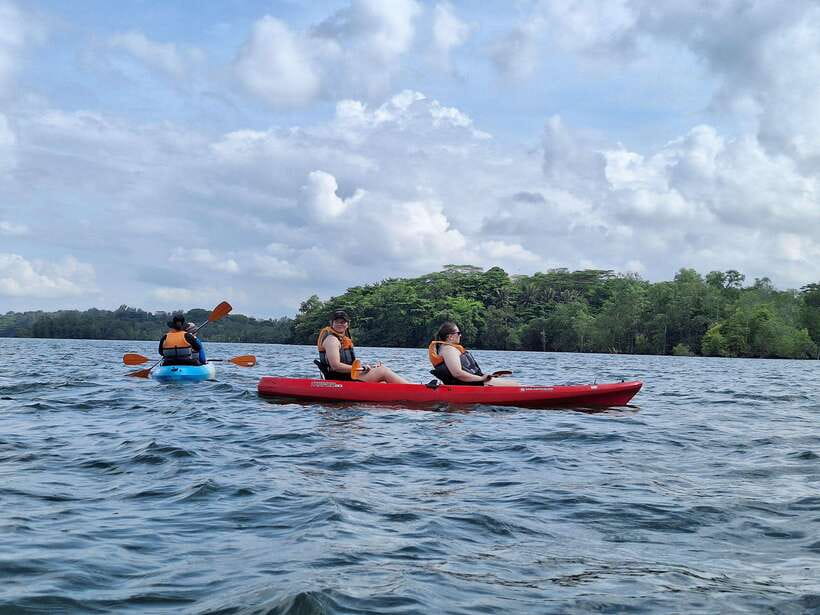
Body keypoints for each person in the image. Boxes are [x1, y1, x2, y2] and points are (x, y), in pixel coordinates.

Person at [316, 309, 409, 383]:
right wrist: (361, 369)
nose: (340, 324)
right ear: (332, 323)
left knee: (382, 380)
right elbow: (335, 366)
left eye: (343, 322)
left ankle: (407, 390)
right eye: (337, 322)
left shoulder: (342, 339)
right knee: (383, 371)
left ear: (347, 324)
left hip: (349, 377)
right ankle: (413, 391)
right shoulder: (332, 340)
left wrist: (367, 368)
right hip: (341, 380)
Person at [428, 321, 519, 386]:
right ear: (450, 337)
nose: (460, 335)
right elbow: (457, 373)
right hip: (471, 384)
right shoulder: (449, 350)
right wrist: (481, 378)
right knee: (516, 385)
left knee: (514, 384)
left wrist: (485, 377)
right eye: (458, 333)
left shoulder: (447, 348)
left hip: (473, 382)